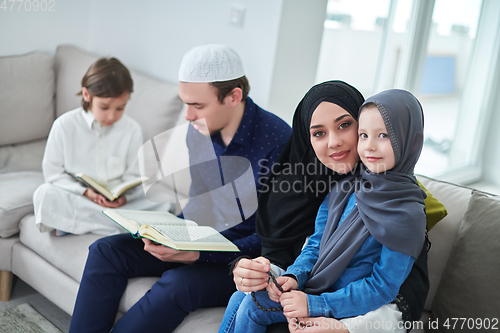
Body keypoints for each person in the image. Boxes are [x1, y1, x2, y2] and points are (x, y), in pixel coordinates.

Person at [68, 44, 291, 333]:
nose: (187, 115)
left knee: (176, 284)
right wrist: (169, 236)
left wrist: (200, 255)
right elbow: (197, 206)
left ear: (234, 96)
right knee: (106, 250)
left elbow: (273, 242)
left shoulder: (279, 143)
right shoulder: (197, 131)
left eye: (197, 106)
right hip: (197, 240)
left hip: (239, 262)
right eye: (185, 103)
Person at [220, 87, 428, 333]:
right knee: (241, 299)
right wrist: (294, 276)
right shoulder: (344, 187)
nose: (369, 146)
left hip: (344, 305)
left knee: (254, 305)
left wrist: (318, 306)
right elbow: (315, 244)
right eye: (364, 135)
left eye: (383, 135)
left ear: (409, 140)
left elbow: (385, 287)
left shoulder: (406, 209)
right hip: (317, 288)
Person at [33, 57, 171, 236]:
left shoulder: (132, 129)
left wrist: (124, 198)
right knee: (45, 194)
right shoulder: (64, 125)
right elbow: (53, 175)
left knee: (163, 200)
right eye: (104, 107)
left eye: (120, 108)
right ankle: (123, 226)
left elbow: (134, 175)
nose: (112, 116)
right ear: (86, 95)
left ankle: (80, 224)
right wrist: (85, 193)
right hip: (81, 198)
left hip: (118, 203)